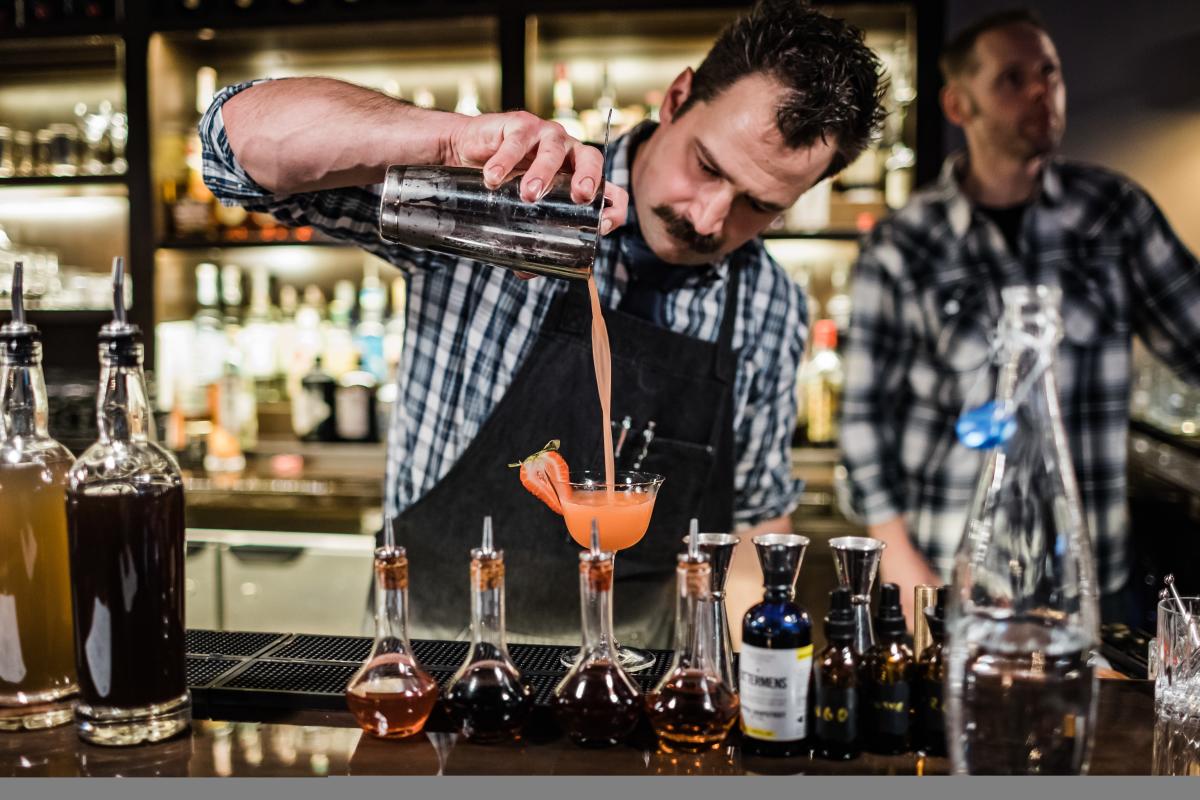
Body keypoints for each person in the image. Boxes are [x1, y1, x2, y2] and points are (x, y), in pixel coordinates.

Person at [202, 0, 885, 646]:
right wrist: (449, 138)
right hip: (436, 672)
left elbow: (749, 532)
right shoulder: (511, 195)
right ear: (677, 99)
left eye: (758, 206)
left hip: (635, 700)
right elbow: (232, 148)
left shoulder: (768, 302)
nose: (709, 218)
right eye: (706, 166)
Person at [840, 9, 1200, 627]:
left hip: (1089, 575)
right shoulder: (905, 244)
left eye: (1049, 72)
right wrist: (899, 562)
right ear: (958, 106)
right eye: (1012, 79)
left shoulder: (1114, 214)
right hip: (953, 573)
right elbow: (865, 420)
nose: (1042, 91)